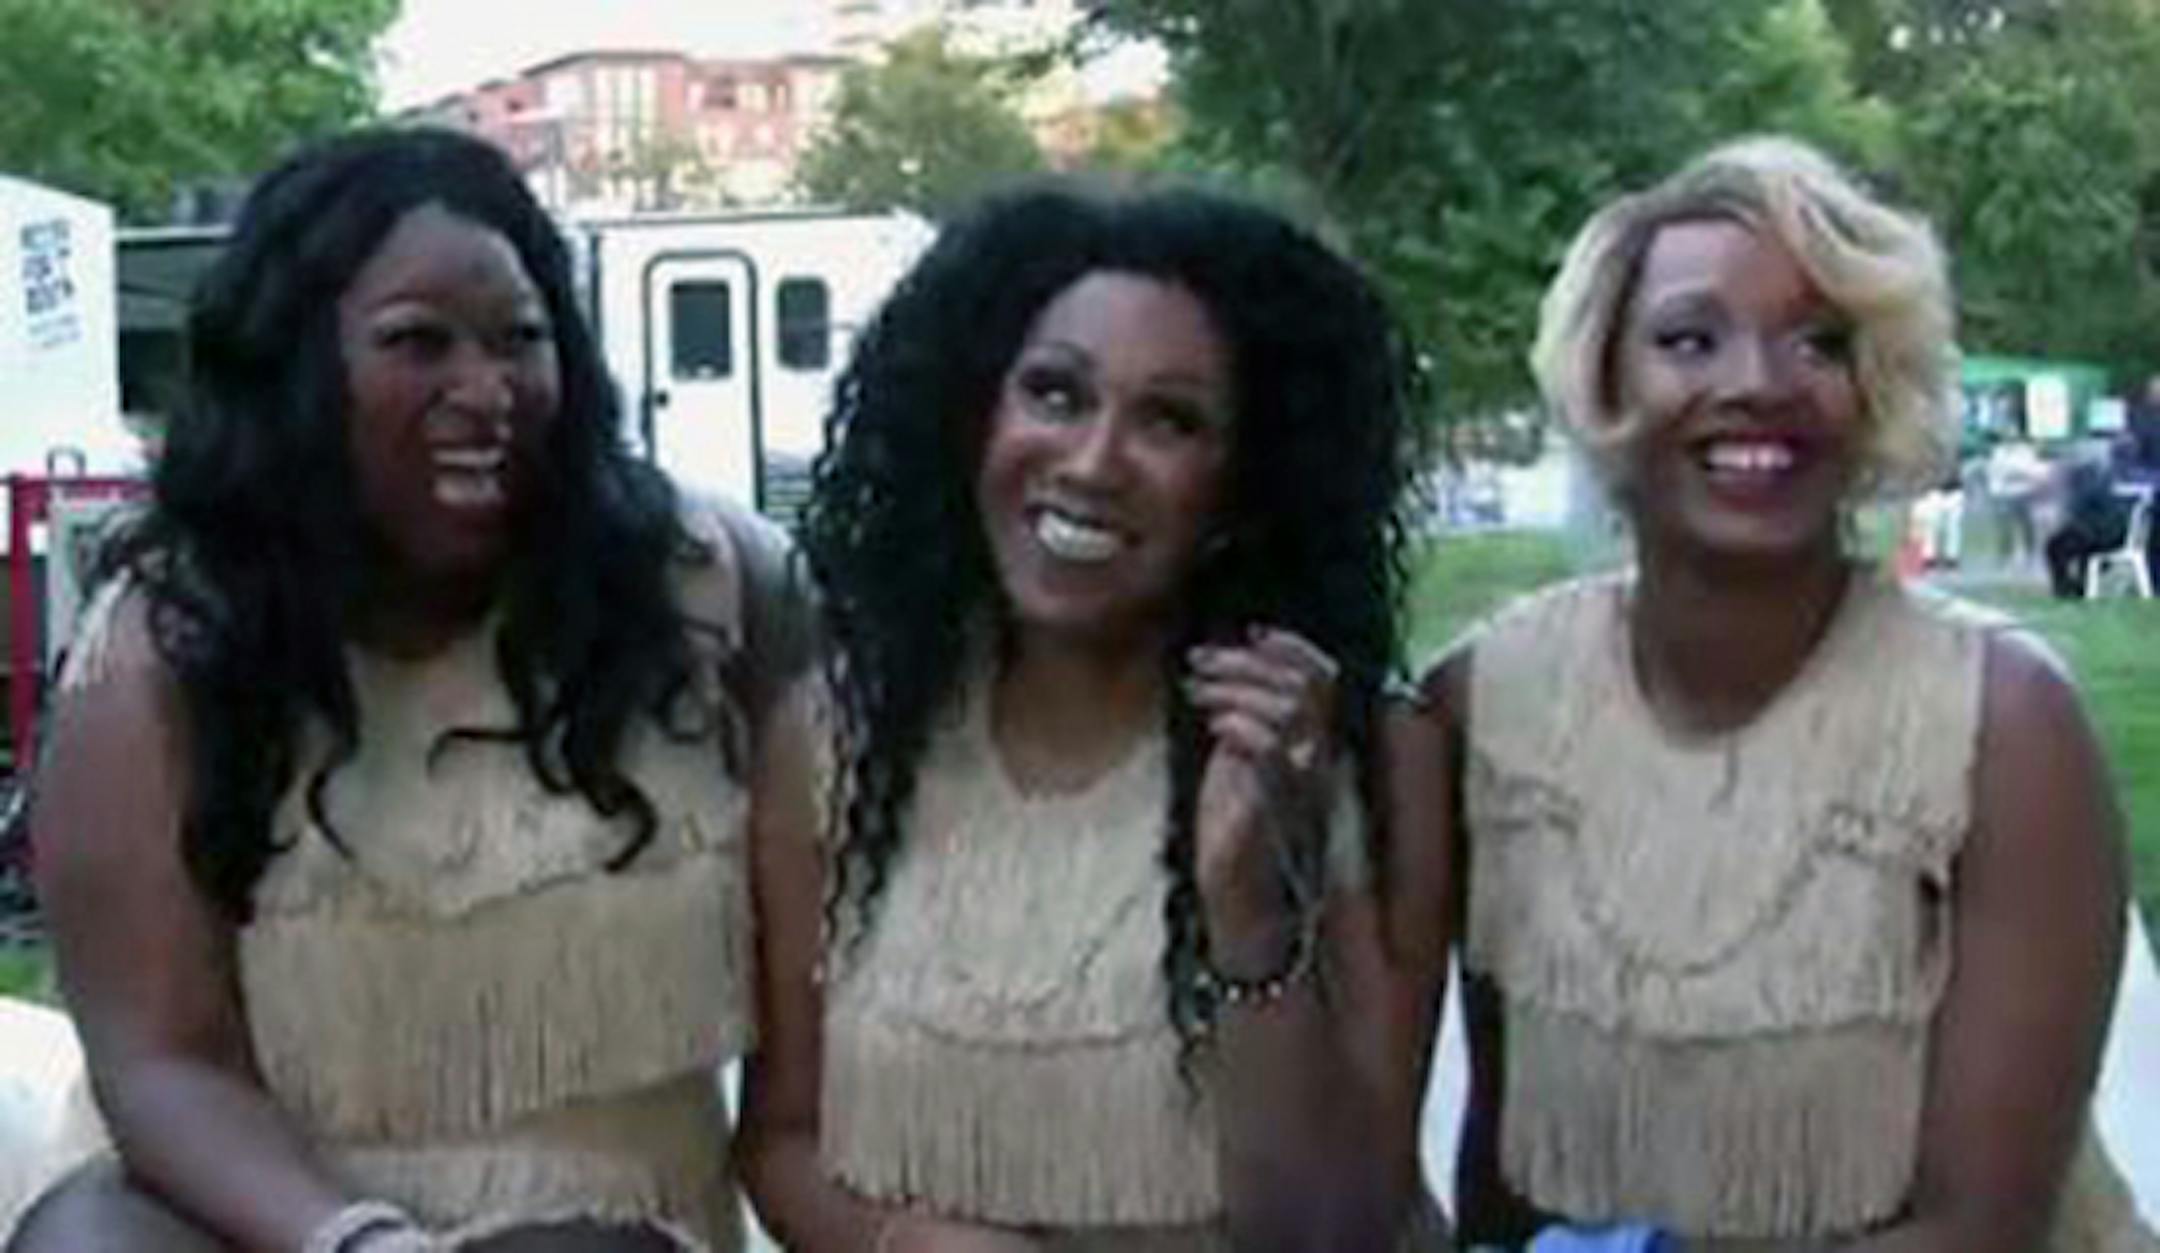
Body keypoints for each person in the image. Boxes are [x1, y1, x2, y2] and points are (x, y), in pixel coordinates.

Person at [11, 128, 806, 1252]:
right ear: (296, 369)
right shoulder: (165, 647)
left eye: (521, 339)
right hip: (252, 1224)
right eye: (417, 342)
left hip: (610, 1231)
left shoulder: (714, 587)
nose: (485, 390)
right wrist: (363, 1242)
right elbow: (161, 1065)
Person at [1416, 136, 2156, 1249]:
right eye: (1689, 338)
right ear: (1604, 376)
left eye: (1821, 341)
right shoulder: (1487, 700)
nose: (1758, 382)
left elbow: (1982, 1228)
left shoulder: (2002, 723)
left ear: (1877, 386)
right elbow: (1513, 1151)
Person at [735, 184, 1454, 1251]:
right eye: (1056, 393)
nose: (1093, 461)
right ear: (974, 414)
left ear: (1246, 484)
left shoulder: (1360, 755)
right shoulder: (838, 738)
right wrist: (915, 1244)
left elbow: (1340, 1228)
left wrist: (1252, 909)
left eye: (1171, 420)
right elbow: (780, 1141)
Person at [2045, 443, 2137, 599]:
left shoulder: (2089, 480)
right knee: (2069, 543)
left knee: (2054, 546)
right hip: (2117, 534)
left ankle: (2064, 588)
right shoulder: (2113, 476)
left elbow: (2079, 511)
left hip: (2101, 535)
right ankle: (2079, 585)